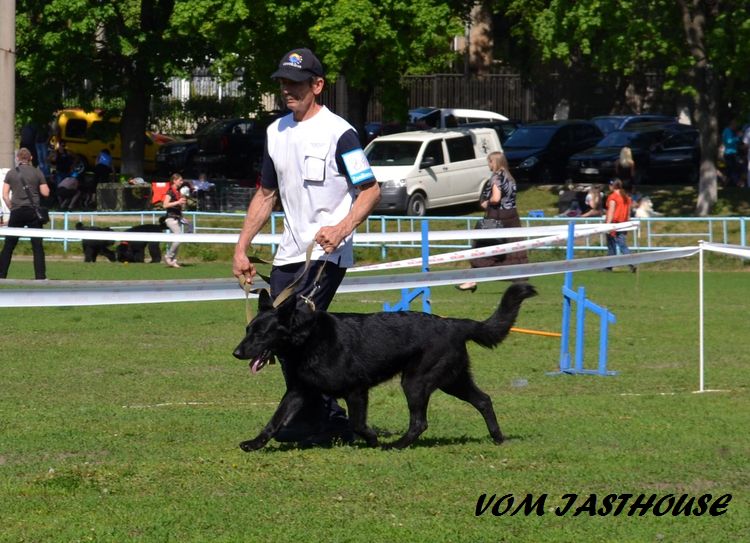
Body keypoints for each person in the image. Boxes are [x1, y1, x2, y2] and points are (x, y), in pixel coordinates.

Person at [232, 47, 381, 446]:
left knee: (300, 332)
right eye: (283, 83)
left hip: (326, 254)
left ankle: (323, 416)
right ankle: (323, 416)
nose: (287, 90)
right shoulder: (275, 132)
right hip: (288, 253)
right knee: (280, 335)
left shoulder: (340, 133)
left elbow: (370, 189)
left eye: (295, 83)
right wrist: (242, 248)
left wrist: (344, 225)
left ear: (317, 85)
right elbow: (266, 194)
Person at [457, 151, 527, 291]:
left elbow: (496, 198)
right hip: (512, 217)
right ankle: (520, 282)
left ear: (494, 162)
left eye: (489, 162)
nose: (488, 165)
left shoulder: (496, 177)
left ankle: (472, 280)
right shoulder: (510, 177)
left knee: (482, 247)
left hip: (496, 216)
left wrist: (486, 203)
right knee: (514, 250)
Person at [0, 148, 50, 280]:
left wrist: (12, 207)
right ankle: (40, 276)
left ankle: (1, 274)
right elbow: (46, 193)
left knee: (9, 245)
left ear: (17, 158)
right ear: (31, 158)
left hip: (17, 211)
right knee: (37, 246)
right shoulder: (37, 172)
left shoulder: (11, 173)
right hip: (34, 213)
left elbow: (5, 195)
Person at [603, 178, 635, 273]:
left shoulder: (613, 197)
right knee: (622, 245)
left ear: (612, 186)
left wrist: (607, 225)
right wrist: (627, 224)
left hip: (614, 224)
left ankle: (631, 264)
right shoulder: (626, 197)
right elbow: (628, 213)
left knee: (613, 245)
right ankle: (610, 266)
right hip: (623, 224)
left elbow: (611, 212)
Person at [162, 173, 193, 268]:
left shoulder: (178, 192)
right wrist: (178, 202)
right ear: (174, 180)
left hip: (177, 218)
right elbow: (165, 205)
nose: (182, 182)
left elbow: (179, 207)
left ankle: (173, 260)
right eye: (180, 180)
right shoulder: (170, 192)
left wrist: (183, 205)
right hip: (171, 218)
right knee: (179, 237)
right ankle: (168, 256)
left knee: (179, 239)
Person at [721, 119, 741, 187]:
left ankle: (728, 184)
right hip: (730, 153)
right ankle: (735, 183)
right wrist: (737, 137)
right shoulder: (728, 131)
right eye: (735, 124)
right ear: (732, 124)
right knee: (732, 169)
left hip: (730, 152)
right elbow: (729, 142)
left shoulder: (727, 131)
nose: (736, 126)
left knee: (730, 169)